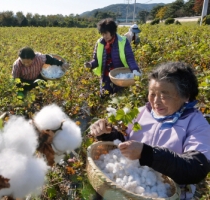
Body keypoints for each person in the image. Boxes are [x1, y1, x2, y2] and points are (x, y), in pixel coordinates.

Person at [89, 62, 210, 199]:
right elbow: (123, 143)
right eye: (152, 94)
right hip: (128, 187)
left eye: (165, 95)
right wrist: (107, 134)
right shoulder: (140, 113)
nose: (156, 101)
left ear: (186, 96)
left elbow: (196, 167)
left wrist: (148, 153)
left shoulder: (196, 124)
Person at [84, 18, 140, 97]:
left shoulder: (123, 41)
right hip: (106, 75)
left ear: (112, 31)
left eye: (106, 33)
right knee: (104, 95)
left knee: (120, 97)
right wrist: (90, 64)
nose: (104, 36)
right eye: (102, 34)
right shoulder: (100, 43)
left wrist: (135, 69)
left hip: (120, 75)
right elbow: (96, 60)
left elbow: (129, 57)